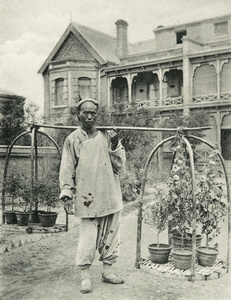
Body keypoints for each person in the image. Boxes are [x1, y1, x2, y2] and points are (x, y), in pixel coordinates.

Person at [59, 98, 125, 294]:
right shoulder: (72, 139)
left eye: (93, 113)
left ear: (97, 115)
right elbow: (67, 167)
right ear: (78, 115)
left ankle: (108, 271)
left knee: (111, 234)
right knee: (88, 238)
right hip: (87, 197)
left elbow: (119, 165)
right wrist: (66, 192)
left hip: (109, 193)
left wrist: (114, 143)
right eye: (85, 112)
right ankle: (85, 276)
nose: (89, 116)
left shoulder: (107, 136)